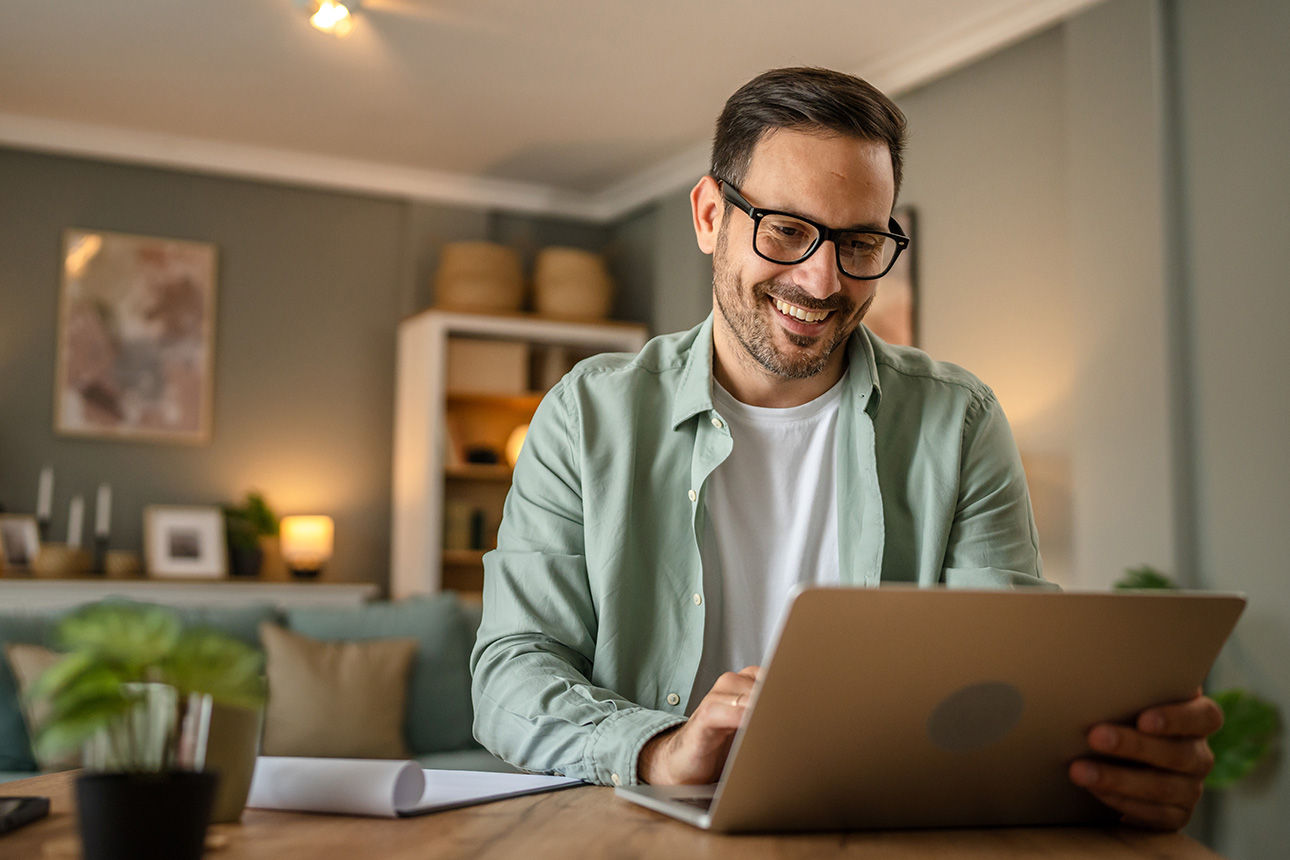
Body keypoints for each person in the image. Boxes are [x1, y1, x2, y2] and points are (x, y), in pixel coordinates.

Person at [471, 67, 1221, 831]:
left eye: (860, 242)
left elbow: (1003, 680)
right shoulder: (586, 415)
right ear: (708, 216)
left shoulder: (959, 421)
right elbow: (512, 669)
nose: (823, 280)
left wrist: (1112, 764)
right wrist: (662, 749)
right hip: (641, 836)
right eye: (786, 230)